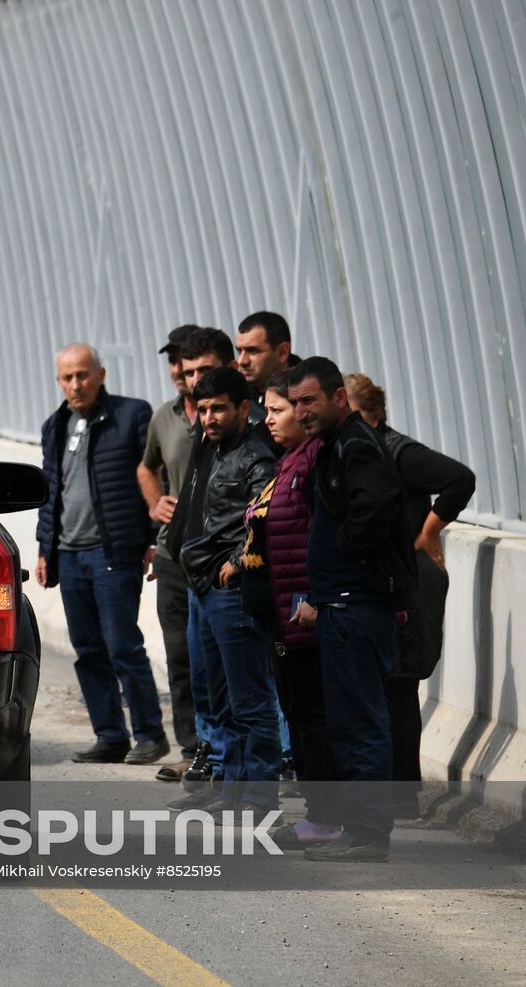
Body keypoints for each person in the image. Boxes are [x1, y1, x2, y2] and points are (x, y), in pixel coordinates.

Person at [289, 357, 416, 862]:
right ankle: (362, 830)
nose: (301, 411)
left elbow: (378, 502)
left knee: (361, 722)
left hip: (355, 608)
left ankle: (367, 833)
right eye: (295, 402)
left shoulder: (356, 443)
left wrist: (344, 546)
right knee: (349, 721)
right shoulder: (334, 445)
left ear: (339, 397)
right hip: (342, 606)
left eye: (310, 401)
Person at [345, 373, 476, 817]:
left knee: (399, 685)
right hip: (385, 581)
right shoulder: (357, 454)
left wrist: (428, 531)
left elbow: (460, 479)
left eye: (356, 415)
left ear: (375, 415)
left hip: (410, 583)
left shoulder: (398, 451)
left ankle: (402, 792)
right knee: (384, 686)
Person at [37, 344, 169, 764]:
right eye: (67, 377)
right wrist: (45, 549)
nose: (76, 384)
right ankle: (110, 735)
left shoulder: (132, 415)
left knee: (122, 645)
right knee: (88, 649)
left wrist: (152, 539)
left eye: (83, 375)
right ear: (59, 381)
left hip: (114, 551)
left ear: (101, 374)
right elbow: (50, 490)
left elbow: (155, 477)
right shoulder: (54, 425)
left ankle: (150, 735)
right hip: (70, 555)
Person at [166, 368, 280, 813]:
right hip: (202, 586)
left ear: (243, 409)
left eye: (219, 408)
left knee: (250, 698)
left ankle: (259, 795)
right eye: (203, 409)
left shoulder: (255, 457)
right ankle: (230, 792)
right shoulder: (208, 450)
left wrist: (235, 564)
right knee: (217, 698)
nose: (209, 417)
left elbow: (266, 518)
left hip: (231, 592)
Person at [239, 371, 342, 847]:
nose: (270, 419)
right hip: (281, 616)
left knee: (312, 717)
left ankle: (326, 816)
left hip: (303, 614)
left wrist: (313, 601)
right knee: (299, 715)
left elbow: (319, 540)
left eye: (277, 409)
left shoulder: (314, 463)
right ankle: (316, 813)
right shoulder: (289, 462)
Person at [164, 326, 237, 793]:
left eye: (205, 372)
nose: (195, 382)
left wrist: (235, 559)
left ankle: (245, 782)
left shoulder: (246, 444)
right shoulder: (198, 429)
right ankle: (209, 759)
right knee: (199, 675)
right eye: (189, 373)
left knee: (242, 690)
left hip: (225, 577)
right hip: (190, 570)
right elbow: (150, 469)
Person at [136, 326, 202, 781]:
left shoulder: (230, 413)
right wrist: (155, 502)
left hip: (217, 554)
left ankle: (227, 753)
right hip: (172, 555)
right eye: (175, 361)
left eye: (189, 363)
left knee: (217, 658)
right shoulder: (165, 416)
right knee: (179, 654)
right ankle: (192, 748)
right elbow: (146, 466)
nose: (180, 371)